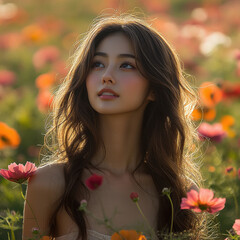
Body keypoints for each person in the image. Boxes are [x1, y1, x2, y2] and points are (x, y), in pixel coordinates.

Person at [23, 14, 205, 240]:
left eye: (126, 65)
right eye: (97, 64)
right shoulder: (50, 183)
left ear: (155, 89)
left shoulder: (179, 194)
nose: (106, 76)